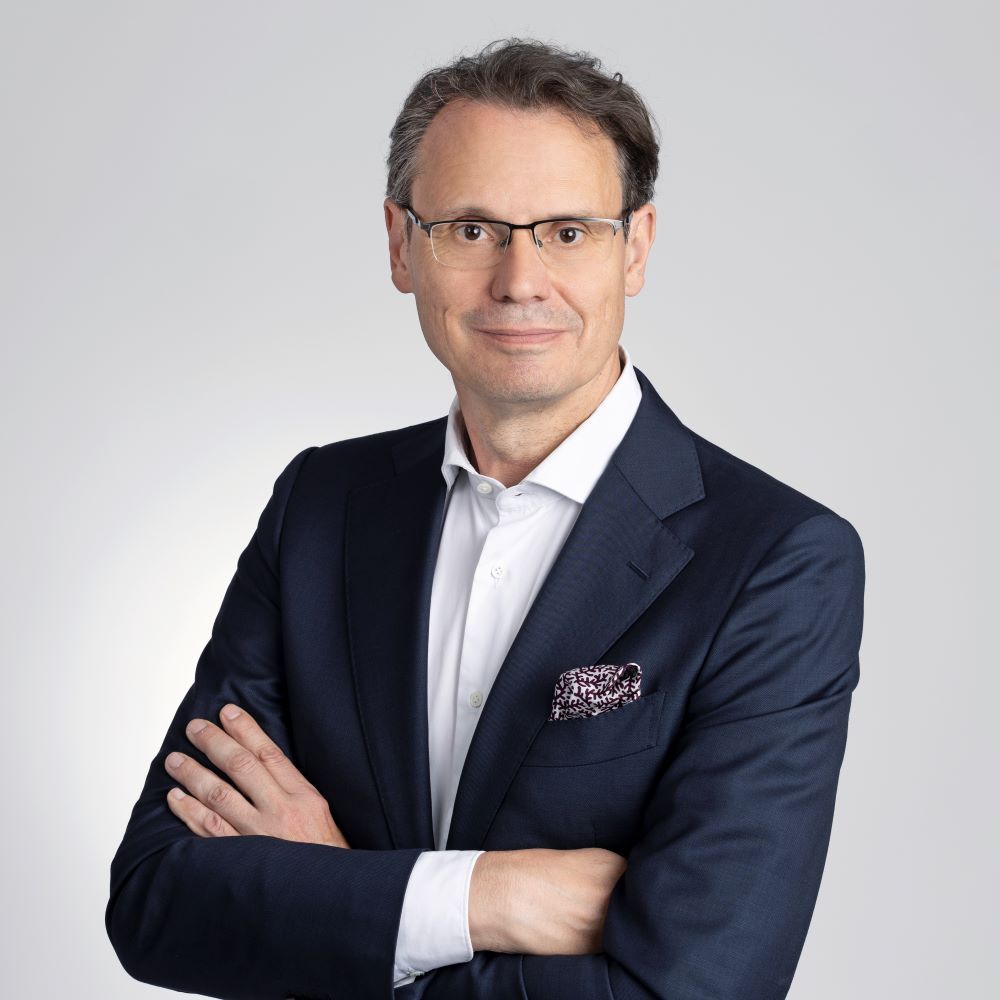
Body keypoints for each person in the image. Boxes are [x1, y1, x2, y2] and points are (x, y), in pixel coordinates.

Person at [106, 38, 865, 1000]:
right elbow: (157, 902)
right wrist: (490, 895)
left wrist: (341, 899)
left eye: (568, 231)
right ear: (400, 245)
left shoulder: (777, 561)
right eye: (471, 229)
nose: (519, 280)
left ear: (635, 247)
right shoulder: (320, 509)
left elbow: (699, 986)